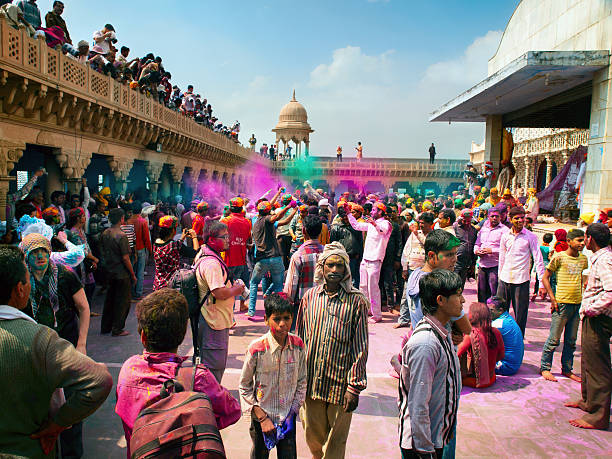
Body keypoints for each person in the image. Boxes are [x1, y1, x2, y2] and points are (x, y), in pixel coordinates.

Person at [0, 244, 112, 458]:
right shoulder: (37, 339)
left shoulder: (64, 275)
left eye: (43, 250)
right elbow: (99, 380)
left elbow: (83, 308)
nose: (40, 256)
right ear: (20, 289)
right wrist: (57, 424)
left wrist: (81, 342)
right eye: (33, 253)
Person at [116, 288, 241, 457]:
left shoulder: (128, 370)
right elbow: (232, 410)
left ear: (143, 336)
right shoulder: (197, 377)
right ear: (183, 335)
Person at [297, 242, 368, 459]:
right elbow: (300, 340)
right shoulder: (309, 298)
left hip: (340, 386)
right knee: (313, 438)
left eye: (339, 265)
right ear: (322, 268)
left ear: (346, 269)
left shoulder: (357, 302)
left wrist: (354, 387)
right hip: (312, 383)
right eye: (330, 265)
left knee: (336, 444)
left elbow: (361, 347)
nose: (335, 270)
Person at [398, 269, 463, 458]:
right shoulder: (426, 343)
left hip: (435, 437)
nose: (463, 301)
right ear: (440, 300)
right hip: (423, 445)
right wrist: (425, 450)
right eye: (458, 296)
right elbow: (418, 403)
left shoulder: (441, 334)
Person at [239, 293, 307, 459]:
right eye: (277, 319)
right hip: (262, 419)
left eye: (287, 318)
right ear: (266, 319)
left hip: (287, 420)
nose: (282, 324)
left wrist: (293, 413)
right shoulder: (257, 349)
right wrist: (262, 419)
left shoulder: (298, 346)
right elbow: (244, 386)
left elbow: (302, 381)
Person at [565, 223, 612, 430]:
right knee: (588, 363)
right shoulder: (600, 258)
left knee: (598, 367)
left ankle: (599, 416)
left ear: (589, 239)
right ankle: (588, 401)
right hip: (592, 317)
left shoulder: (605, 260)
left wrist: (593, 309)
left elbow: (611, 292)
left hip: (599, 319)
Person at [195, 221, 244, 383]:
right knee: (213, 368)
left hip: (215, 319)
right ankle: (211, 401)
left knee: (212, 365)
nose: (228, 240)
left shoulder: (208, 254)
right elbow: (219, 292)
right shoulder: (211, 263)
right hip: (212, 321)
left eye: (228, 236)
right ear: (211, 240)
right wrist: (236, 290)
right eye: (224, 237)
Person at [539, 229, 587, 383]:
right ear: (569, 241)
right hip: (561, 304)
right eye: (578, 240)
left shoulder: (583, 259)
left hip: (576, 304)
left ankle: (567, 369)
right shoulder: (559, 257)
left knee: (571, 340)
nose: (582, 243)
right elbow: (546, 278)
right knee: (554, 339)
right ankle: (545, 367)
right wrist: (553, 298)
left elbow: (581, 279)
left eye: (583, 240)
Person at [497, 206, 545, 337]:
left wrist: (541, 283)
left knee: (520, 314)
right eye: (516, 218)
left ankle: (518, 340)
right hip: (505, 278)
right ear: (510, 219)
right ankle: (501, 338)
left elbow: (538, 259)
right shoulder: (505, 236)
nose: (520, 220)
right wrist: (499, 278)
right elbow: (502, 258)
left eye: (522, 218)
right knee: (500, 312)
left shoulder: (531, 237)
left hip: (521, 280)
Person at [248, 197, 297, 318]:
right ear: (268, 212)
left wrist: (293, 211)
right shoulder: (268, 220)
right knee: (278, 285)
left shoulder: (254, 220)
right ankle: (277, 311)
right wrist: (289, 208)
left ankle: (251, 311)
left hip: (261, 259)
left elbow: (283, 222)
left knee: (254, 283)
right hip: (275, 258)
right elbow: (278, 219)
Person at [346, 201, 392, 323]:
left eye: (373, 210)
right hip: (365, 259)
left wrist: (373, 223)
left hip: (375, 259)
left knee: (373, 287)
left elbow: (382, 231)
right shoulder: (372, 223)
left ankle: (377, 315)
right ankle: (367, 309)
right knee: (363, 286)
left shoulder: (385, 223)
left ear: (380, 211)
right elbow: (356, 226)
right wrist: (349, 214)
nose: (371, 212)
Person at [99, 208, 136, 337]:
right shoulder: (122, 236)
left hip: (109, 270)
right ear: (121, 219)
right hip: (121, 273)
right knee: (122, 301)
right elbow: (125, 258)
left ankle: (106, 326)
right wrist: (132, 274)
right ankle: (117, 328)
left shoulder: (105, 233)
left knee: (110, 299)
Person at [284, 215, 323, 329]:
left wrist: (288, 302)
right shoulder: (327, 252)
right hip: (323, 304)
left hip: (302, 306)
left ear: (303, 230)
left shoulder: (298, 256)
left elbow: (291, 288)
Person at [396, 211, 435, 328]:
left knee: (422, 297)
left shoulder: (433, 236)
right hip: (412, 268)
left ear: (430, 224)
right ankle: (403, 320)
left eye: (424, 223)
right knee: (406, 295)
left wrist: (417, 234)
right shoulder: (414, 234)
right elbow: (406, 251)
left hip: (425, 271)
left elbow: (428, 245)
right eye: (420, 223)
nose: (421, 225)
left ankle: (419, 321)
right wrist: (404, 268)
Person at [457, 302, 504, 388]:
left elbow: (456, 354)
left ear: (473, 316)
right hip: (492, 378)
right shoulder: (496, 332)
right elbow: (501, 355)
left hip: (475, 381)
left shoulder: (471, 334)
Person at [221, 197, 252, 312]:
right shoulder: (247, 222)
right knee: (243, 282)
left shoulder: (225, 221)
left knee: (229, 286)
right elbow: (248, 238)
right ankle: (242, 305)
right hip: (242, 257)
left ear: (230, 208)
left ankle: (230, 314)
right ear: (241, 209)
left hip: (228, 259)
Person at [152, 216, 198, 291]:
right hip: (171, 286)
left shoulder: (155, 243)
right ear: (173, 230)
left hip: (158, 285)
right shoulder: (174, 245)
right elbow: (195, 253)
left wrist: (182, 238)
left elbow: (173, 246)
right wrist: (194, 237)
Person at [474, 206, 509, 303]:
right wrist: (477, 251)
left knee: (494, 293)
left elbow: (507, 249)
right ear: (488, 217)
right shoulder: (484, 229)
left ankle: (493, 314)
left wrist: (492, 250)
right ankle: (482, 314)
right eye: (492, 216)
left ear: (500, 217)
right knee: (481, 293)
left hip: (495, 266)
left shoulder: (505, 230)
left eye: (497, 216)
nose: (494, 218)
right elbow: (477, 243)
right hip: (482, 265)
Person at [487, 296, 524, 375]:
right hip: (514, 364)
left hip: (506, 367)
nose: (487, 312)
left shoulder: (499, 324)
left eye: (491, 310)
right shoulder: (508, 318)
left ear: (500, 311)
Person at [330, 204, 363, 288]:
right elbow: (333, 244)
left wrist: (360, 256)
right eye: (344, 217)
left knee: (354, 280)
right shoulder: (336, 228)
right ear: (341, 217)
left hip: (354, 257)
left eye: (347, 216)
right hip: (341, 258)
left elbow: (360, 242)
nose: (346, 219)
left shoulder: (356, 226)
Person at [127, 202, 151, 300]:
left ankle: (130, 292)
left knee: (131, 271)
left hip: (129, 249)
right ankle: (138, 293)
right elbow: (146, 238)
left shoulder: (127, 221)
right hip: (140, 249)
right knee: (140, 272)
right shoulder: (142, 221)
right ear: (141, 211)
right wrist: (150, 250)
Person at [452, 209, 477, 286]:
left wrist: (473, 264)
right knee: (453, 284)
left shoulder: (473, 230)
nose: (466, 223)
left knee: (461, 285)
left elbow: (473, 246)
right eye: (464, 221)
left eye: (468, 221)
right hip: (454, 262)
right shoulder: (455, 227)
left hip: (466, 263)